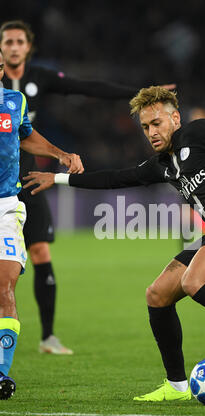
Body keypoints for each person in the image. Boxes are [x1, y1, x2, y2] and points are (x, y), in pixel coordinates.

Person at [23, 86, 205, 401]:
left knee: (194, 281)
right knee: (158, 294)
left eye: (157, 123)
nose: (151, 132)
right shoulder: (161, 164)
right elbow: (114, 179)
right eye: (146, 127)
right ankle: (176, 386)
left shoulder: (200, 132)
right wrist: (58, 179)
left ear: (175, 118)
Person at [0, 19, 175, 355]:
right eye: (8, 42)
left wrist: (137, 94)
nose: (13, 47)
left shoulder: (39, 80)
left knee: (40, 252)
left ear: (28, 47)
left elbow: (87, 87)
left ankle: (47, 337)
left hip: (25, 178)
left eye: (19, 42)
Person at [0, 48, 83, 399]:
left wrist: (60, 154)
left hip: (5, 206)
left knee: (5, 287)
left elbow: (25, 134)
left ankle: (1, 374)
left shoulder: (13, 100)